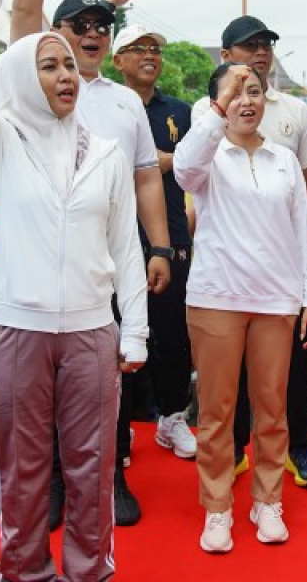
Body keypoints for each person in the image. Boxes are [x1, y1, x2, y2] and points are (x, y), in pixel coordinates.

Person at [0, 0, 147, 582]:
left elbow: (126, 245)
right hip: (17, 332)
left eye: (70, 64)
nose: (67, 75)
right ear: (20, 77)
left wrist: (134, 328)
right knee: (23, 469)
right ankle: (25, 570)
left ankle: (89, 571)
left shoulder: (109, 154)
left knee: (92, 468)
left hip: (93, 333)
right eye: (50, 63)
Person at [9, 0, 172, 526]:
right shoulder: (29, 82)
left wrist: (158, 247)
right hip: (38, 263)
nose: (94, 34)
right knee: (46, 377)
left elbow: (146, 183)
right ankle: (52, 481)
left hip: (108, 259)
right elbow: (24, 5)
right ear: (56, 37)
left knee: (116, 369)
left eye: (103, 26)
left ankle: (112, 476)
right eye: (80, 25)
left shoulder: (125, 103)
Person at [175, 63, 307, 553]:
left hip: (275, 301)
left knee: (272, 407)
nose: (248, 101)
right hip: (216, 298)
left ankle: (267, 500)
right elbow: (182, 169)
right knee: (217, 413)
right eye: (236, 93)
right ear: (219, 103)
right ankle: (217, 508)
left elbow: (304, 231)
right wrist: (218, 106)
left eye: (256, 91)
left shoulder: (283, 160)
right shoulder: (207, 156)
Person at [111, 23, 198, 462]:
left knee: (173, 335)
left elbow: (193, 166)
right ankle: (119, 427)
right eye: (137, 48)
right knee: (119, 335)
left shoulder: (180, 111)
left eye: (154, 49)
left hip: (172, 238)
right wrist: (162, 161)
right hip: (117, 238)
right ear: (117, 59)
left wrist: (161, 163)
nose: (149, 55)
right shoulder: (107, 107)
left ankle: (172, 417)